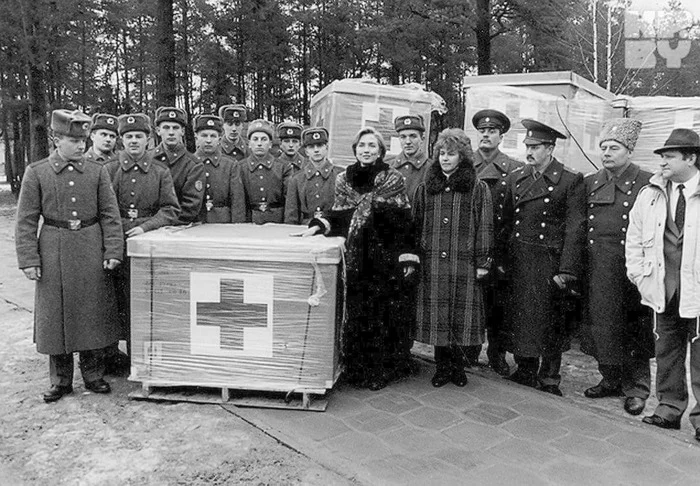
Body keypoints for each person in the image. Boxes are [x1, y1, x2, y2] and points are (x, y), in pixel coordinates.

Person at [15, 109, 124, 402]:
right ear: (56, 140)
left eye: (82, 140)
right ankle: (61, 380)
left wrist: (113, 249)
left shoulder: (97, 172)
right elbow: (25, 219)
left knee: (92, 311)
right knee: (57, 315)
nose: (80, 146)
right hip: (53, 249)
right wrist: (29, 259)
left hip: (91, 247)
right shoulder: (37, 172)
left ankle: (93, 374)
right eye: (73, 140)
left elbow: (109, 215)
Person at [300, 127, 419, 391]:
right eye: (362, 145)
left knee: (383, 314)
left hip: (385, 258)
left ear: (381, 150)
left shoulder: (393, 179)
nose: (367, 150)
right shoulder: (344, 179)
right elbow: (340, 213)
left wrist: (406, 258)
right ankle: (357, 368)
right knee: (358, 313)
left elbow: (403, 221)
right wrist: (318, 225)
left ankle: (381, 370)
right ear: (355, 149)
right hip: (355, 257)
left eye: (372, 146)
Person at [500, 118, 586, 397]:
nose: (530, 151)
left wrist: (567, 269)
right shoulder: (516, 178)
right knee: (522, 318)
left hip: (550, 262)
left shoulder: (570, 181)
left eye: (536, 147)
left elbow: (575, 228)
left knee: (551, 321)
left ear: (550, 148)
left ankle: (549, 378)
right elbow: (507, 222)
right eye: (527, 146)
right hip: (520, 260)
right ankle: (525, 370)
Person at [626, 128, 700, 439]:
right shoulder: (650, 194)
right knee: (667, 351)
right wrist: (640, 277)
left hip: (696, 290)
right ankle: (668, 410)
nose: (663, 163)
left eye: (669, 156)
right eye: (662, 157)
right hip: (663, 289)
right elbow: (634, 240)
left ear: (691, 158)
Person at [580, 118, 653, 416]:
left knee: (635, 326)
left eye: (614, 147)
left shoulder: (647, 182)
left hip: (632, 269)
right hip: (598, 267)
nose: (607, 152)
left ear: (629, 151)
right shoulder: (591, 182)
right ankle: (610, 378)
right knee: (602, 324)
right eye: (603, 147)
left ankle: (637, 388)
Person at [413, 128, 493, 387]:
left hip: (464, 263)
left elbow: (485, 226)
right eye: (442, 154)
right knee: (439, 319)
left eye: (452, 154)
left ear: (463, 157)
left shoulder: (477, 188)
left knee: (460, 319)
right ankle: (441, 367)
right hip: (433, 263)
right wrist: (416, 257)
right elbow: (416, 224)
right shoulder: (426, 189)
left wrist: (482, 262)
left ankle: (458, 368)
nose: (446, 158)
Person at [105, 114, 180, 368]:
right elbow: (104, 210)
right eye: (129, 137)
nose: (134, 141)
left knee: (146, 301)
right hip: (117, 242)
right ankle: (114, 356)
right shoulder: (110, 170)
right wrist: (121, 232)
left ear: (149, 140)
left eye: (139, 136)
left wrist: (146, 227)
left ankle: (145, 356)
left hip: (149, 244)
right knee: (116, 299)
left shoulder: (160, 171)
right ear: (121, 140)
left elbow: (170, 210)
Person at [471, 109, 524, 375]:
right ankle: (469, 351)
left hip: (500, 245)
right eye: (482, 131)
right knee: (471, 300)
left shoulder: (514, 168)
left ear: (501, 136)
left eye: (492, 131)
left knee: (497, 304)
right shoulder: (466, 164)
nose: (486, 135)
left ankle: (496, 354)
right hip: (471, 245)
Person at [151, 106, 205, 224]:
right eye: (166, 128)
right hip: (148, 227)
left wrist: (162, 223)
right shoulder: (148, 160)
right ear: (158, 131)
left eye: (175, 128)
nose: (171, 132)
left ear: (182, 131)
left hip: (179, 228)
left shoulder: (193, 165)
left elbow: (191, 206)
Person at [236, 119, 292, 224]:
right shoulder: (240, 167)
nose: (259, 143)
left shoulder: (283, 167)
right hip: (250, 220)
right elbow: (238, 201)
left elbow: (289, 200)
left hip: (277, 220)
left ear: (270, 144)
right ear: (249, 143)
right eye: (255, 139)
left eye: (264, 139)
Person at [284, 127, 342, 225]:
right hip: (306, 228)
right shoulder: (297, 179)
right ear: (306, 151)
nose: (316, 150)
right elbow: (291, 215)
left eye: (319, 145)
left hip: (333, 228)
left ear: (326, 148)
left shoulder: (339, 175)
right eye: (311, 147)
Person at [192, 114, 244, 223]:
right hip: (195, 223)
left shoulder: (230, 165)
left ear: (219, 139)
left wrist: (237, 228)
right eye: (204, 135)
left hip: (223, 223)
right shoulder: (188, 163)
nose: (208, 140)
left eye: (213, 136)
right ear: (196, 138)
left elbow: (237, 202)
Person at [387, 115, 431, 202]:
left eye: (413, 136)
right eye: (403, 137)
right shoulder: (388, 166)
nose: (408, 142)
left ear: (422, 139)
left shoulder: (431, 168)